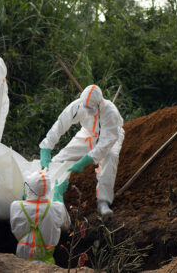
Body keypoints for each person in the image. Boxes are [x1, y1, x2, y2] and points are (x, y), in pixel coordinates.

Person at [39, 85, 124, 216]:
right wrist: (46, 147)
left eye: (90, 109)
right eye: (86, 108)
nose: (87, 111)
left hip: (111, 137)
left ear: (99, 104)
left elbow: (105, 144)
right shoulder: (79, 105)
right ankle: (41, 187)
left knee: (110, 157)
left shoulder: (110, 113)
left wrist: (85, 161)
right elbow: (60, 124)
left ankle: (103, 201)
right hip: (87, 134)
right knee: (61, 158)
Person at [10, 171, 69, 263]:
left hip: (21, 263)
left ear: (29, 188)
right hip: (46, 265)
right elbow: (66, 226)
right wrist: (59, 198)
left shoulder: (16, 206)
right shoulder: (57, 208)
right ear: (49, 189)